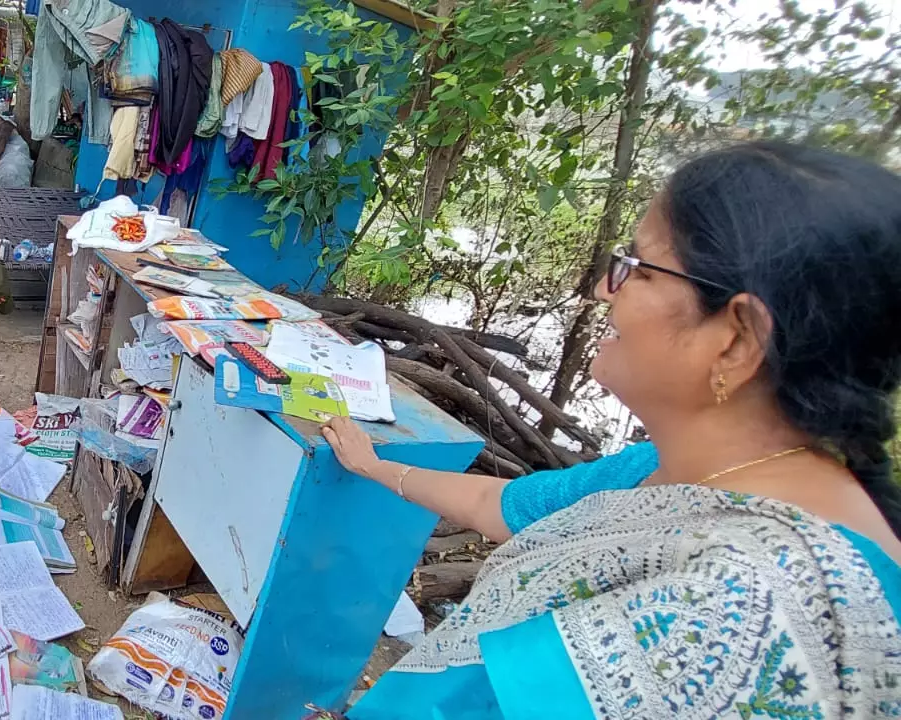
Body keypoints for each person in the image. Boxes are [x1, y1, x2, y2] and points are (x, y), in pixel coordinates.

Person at [320, 142, 901, 718]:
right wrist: (372, 465)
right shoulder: (667, 471)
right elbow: (498, 503)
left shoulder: (752, 604)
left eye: (638, 268)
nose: (603, 288)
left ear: (737, 338)